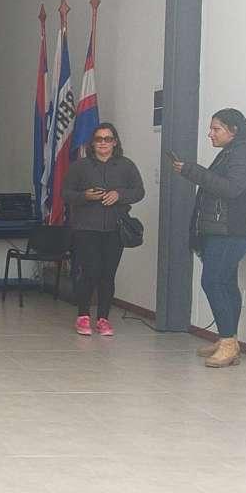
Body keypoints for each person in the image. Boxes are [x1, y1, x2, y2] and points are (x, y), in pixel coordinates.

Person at [172, 108, 246, 367]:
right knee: (226, 283)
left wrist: (193, 171)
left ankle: (227, 343)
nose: (210, 134)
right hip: (222, 230)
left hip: (233, 231)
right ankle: (229, 339)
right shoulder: (230, 153)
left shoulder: (244, 155)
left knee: (212, 281)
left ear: (233, 131)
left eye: (216, 129)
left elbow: (231, 189)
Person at [62, 122, 145, 336]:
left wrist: (119, 195)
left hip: (115, 228)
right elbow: (66, 193)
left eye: (107, 139)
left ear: (115, 142)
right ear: (92, 143)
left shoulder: (126, 165)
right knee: (90, 271)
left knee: (108, 274)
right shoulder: (80, 166)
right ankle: (83, 316)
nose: (103, 143)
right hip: (86, 227)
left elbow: (139, 191)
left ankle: (103, 319)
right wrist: (85, 196)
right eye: (99, 139)